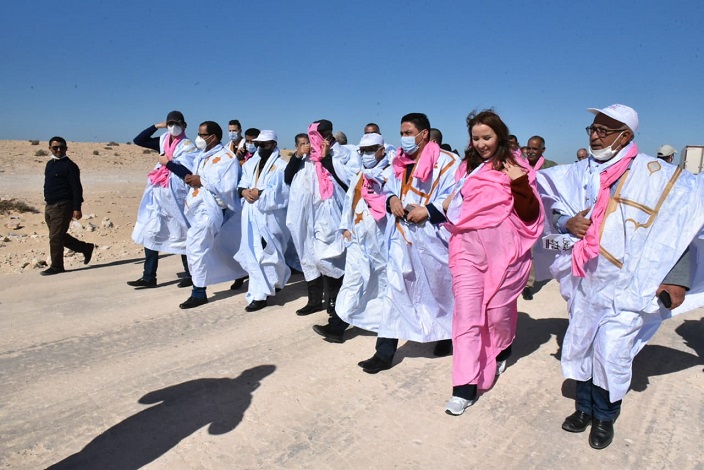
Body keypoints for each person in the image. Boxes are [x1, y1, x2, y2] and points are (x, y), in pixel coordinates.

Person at [537, 104, 704, 449]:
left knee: (611, 351)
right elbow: (549, 203)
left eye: (604, 131)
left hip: (632, 284)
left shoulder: (659, 175)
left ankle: (605, 416)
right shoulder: (578, 173)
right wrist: (566, 222)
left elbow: (682, 226)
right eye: (592, 129)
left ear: (625, 136)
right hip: (586, 281)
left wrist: (678, 278)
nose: (595, 136)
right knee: (583, 344)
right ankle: (584, 408)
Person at [441, 110, 544, 415]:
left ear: (499, 136)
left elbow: (530, 215)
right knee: (466, 317)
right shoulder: (467, 168)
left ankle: (502, 346)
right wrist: (446, 204)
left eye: (487, 137)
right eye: (476, 138)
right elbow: (457, 203)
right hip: (467, 251)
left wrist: (519, 183)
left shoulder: (516, 167)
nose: (481, 144)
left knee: (497, 315)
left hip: (505, 255)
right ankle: (464, 386)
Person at [357, 113, 459, 374]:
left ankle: (446, 334)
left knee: (439, 293)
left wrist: (429, 211)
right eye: (402, 133)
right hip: (401, 237)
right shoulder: (400, 160)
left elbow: (457, 196)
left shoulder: (448, 162)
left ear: (424, 134)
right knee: (394, 293)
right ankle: (384, 353)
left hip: (432, 240)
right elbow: (389, 188)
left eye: (408, 133)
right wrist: (391, 199)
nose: (404, 138)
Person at [312, 132, 392, 343]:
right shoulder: (360, 174)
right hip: (357, 238)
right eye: (363, 151)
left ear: (381, 151)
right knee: (352, 281)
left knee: (381, 282)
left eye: (370, 150)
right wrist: (345, 226)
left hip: (380, 240)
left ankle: (384, 322)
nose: (366, 154)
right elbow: (350, 201)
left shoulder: (390, 175)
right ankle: (336, 327)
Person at [176, 121, 247, 309]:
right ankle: (243, 271)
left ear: (213, 137)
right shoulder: (202, 156)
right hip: (197, 210)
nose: (198, 138)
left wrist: (201, 181)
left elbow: (228, 187)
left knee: (197, 248)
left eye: (202, 135)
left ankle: (198, 292)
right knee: (209, 249)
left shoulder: (227, 158)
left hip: (211, 211)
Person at [129, 111, 198, 288]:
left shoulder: (188, 146)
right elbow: (139, 140)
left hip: (176, 198)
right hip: (159, 196)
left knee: (182, 233)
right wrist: (156, 126)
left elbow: (187, 173)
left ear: (184, 125)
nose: (173, 127)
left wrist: (168, 163)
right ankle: (148, 277)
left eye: (177, 123)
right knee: (151, 232)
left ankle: (191, 274)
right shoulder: (163, 141)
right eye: (170, 124)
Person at [307, 119, 361, 321]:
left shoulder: (347, 153)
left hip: (343, 213)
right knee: (323, 258)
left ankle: (339, 302)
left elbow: (352, 181)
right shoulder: (310, 159)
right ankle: (332, 297)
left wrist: (328, 158)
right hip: (320, 216)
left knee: (344, 257)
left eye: (323, 133)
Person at [234, 130, 291, 312]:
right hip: (251, 215)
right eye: (258, 144)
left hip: (270, 217)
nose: (260, 148)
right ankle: (260, 294)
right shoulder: (250, 164)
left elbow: (283, 192)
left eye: (264, 145)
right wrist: (244, 192)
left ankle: (272, 283)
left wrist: (260, 193)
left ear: (273, 145)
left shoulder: (281, 166)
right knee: (254, 253)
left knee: (269, 253)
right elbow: (242, 183)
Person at [40, 136, 95, 275]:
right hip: (49, 206)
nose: (59, 150)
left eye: (62, 147)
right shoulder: (50, 164)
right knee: (58, 235)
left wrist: (77, 208)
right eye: (55, 147)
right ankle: (85, 248)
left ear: (66, 148)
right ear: (49, 148)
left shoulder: (70, 166)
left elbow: (77, 188)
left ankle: (57, 266)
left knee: (55, 237)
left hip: (63, 206)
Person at [285, 133, 325, 315]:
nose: (306, 146)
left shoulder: (320, 161)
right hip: (301, 221)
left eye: (308, 143)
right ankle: (314, 301)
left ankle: (332, 300)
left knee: (324, 257)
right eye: (302, 144)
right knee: (307, 257)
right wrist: (297, 156)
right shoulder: (298, 164)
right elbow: (287, 177)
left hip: (320, 219)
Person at [522, 135, 558, 300]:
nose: (530, 151)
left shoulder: (550, 167)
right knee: (525, 250)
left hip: (544, 215)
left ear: (542, 150)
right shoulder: (519, 166)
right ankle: (527, 285)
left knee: (545, 247)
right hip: (523, 214)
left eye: (535, 149)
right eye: (529, 148)